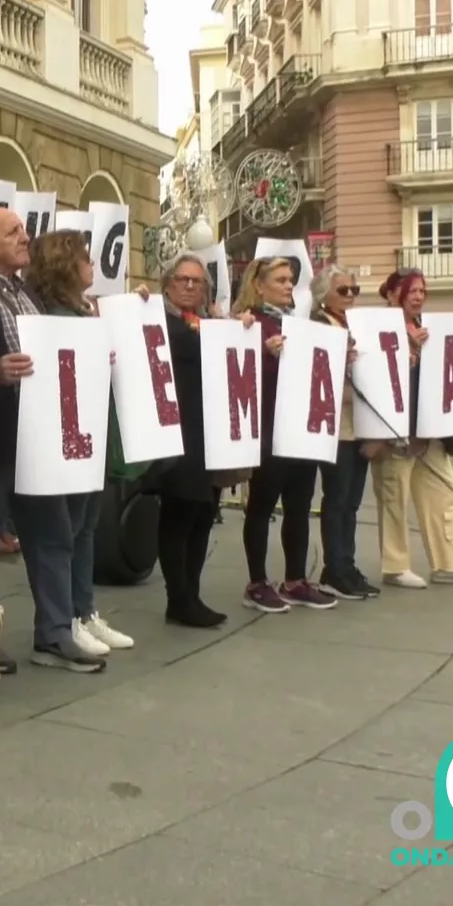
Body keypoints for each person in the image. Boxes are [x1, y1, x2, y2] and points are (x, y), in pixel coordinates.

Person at [0, 219, 116, 670]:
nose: (25, 237)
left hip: (38, 437)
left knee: (53, 536)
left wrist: (90, 354)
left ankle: (54, 634)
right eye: (12, 233)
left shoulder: (29, 295)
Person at [372, 269, 453, 590]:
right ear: (392, 294)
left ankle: (447, 564)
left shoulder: (430, 327)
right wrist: (407, 349)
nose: (419, 297)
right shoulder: (378, 328)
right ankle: (395, 566)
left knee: (445, 494)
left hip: (431, 432)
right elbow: (379, 377)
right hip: (397, 432)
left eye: (422, 291)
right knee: (394, 498)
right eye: (411, 291)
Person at [234, 258, 335, 613]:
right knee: (262, 505)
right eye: (279, 280)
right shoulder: (248, 323)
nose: (288, 285)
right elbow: (237, 373)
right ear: (258, 285)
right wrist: (263, 353)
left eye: (290, 279)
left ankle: (295, 580)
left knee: (299, 505)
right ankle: (257, 583)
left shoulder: (298, 324)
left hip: (300, 429)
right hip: (268, 431)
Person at [152, 253, 228, 627]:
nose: (189, 286)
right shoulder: (157, 321)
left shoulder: (207, 324)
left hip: (208, 436)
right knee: (179, 517)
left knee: (202, 517)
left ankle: (192, 595)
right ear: (167, 283)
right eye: (182, 279)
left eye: (197, 281)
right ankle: (178, 599)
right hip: (175, 434)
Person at [309, 265, 378, 601]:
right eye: (343, 290)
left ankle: (345, 566)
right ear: (324, 294)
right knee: (337, 500)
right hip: (335, 427)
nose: (350, 295)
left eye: (354, 289)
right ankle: (335, 570)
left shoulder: (357, 324)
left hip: (360, 423)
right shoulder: (318, 325)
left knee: (351, 502)